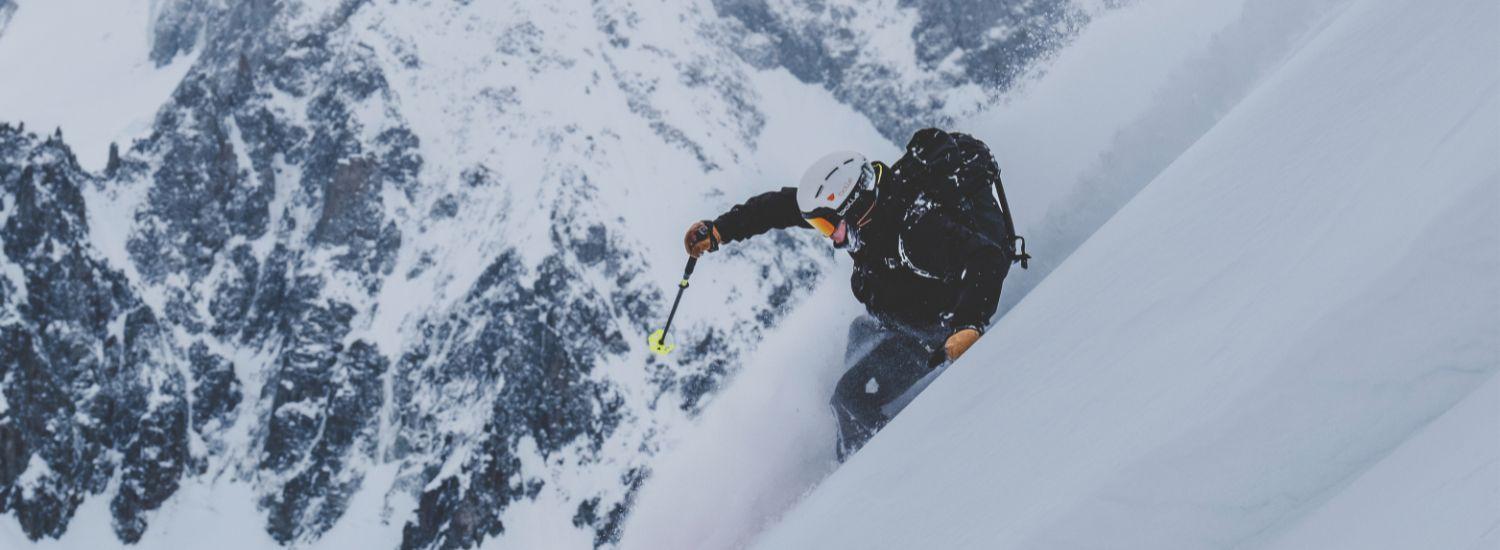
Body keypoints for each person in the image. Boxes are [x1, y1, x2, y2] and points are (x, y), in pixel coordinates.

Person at [683, 128, 1027, 460]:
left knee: (849, 399)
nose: (830, 238)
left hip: (938, 330)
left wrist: (968, 324)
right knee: (859, 335)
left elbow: (986, 258)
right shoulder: (872, 213)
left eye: (828, 226)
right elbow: (785, 207)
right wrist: (721, 230)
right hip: (910, 311)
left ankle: (886, 471)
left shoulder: (915, 233)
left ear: (852, 209)